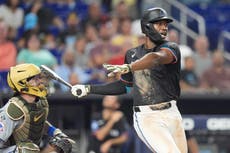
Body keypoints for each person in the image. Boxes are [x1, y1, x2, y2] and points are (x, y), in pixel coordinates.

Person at [71, 7, 187, 153]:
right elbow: (124, 86)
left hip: (172, 113)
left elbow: (156, 59)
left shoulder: (171, 47)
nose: (164, 27)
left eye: (166, 24)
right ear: (147, 26)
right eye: (159, 23)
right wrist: (89, 88)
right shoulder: (132, 54)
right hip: (147, 117)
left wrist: (130, 67)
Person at [0, 63, 73, 153]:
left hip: (33, 148)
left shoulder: (40, 101)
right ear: (22, 83)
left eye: (39, 77)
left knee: (61, 147)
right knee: (27, 149)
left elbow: (37, 122)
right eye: (35, 78)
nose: (40, 81)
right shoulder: (13, 110)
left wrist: (57, 133)